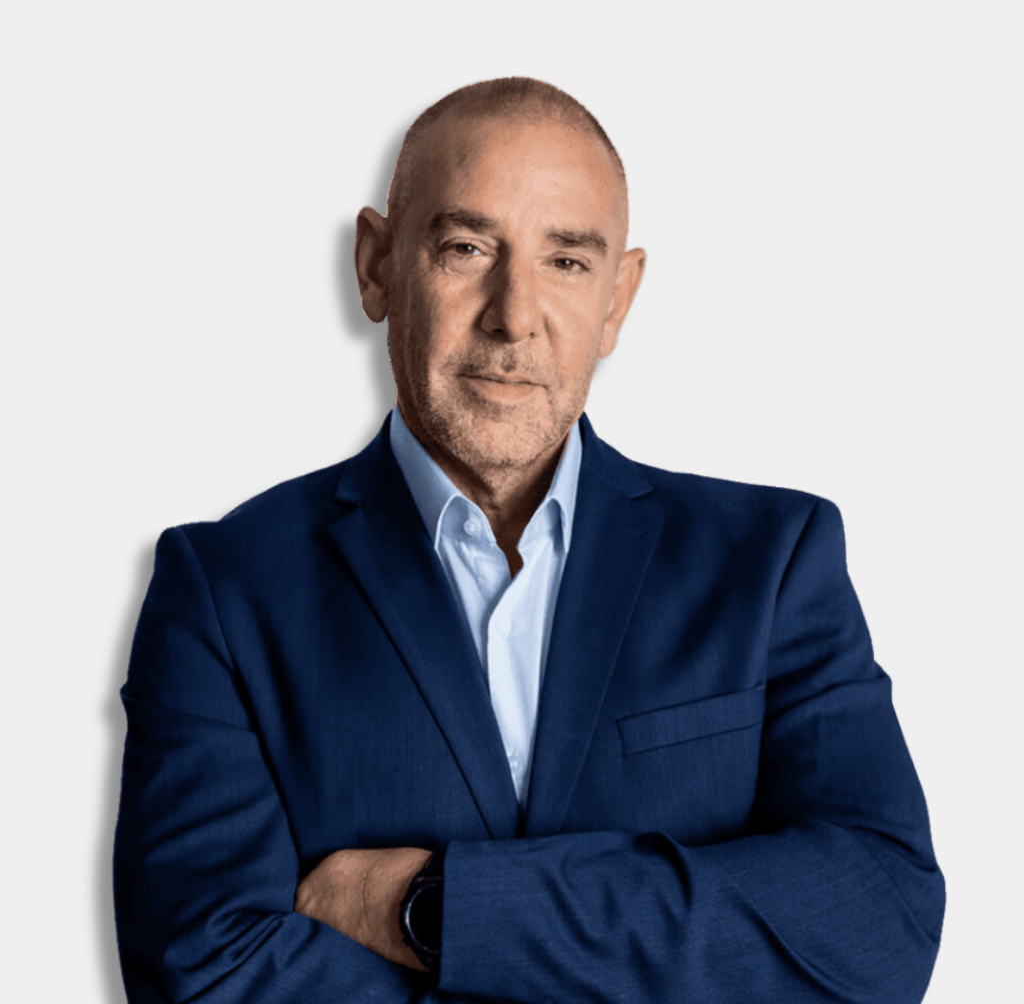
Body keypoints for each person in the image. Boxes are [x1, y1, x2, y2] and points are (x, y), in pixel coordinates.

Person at [113, 77, 944, 1004]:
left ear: (618, 299)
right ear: (378, 267)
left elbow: (880, 921)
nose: (514, 315)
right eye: (466, 249)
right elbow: (208, 974)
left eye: (567, 262)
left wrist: (441, 908)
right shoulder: (222, 593)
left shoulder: (773, 563)